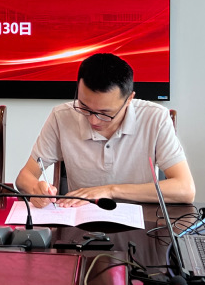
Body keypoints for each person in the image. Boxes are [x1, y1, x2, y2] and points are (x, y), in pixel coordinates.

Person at [15, 53, 195, 208]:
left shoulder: (155, 118)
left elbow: (185, 189)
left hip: (141, 221)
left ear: (129, 99)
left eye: (105, 113)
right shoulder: (61, 117)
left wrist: (110, 190)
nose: (93, 120)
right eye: (84, 107)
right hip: (81, 222)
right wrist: (36, 190)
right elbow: (24, 177)